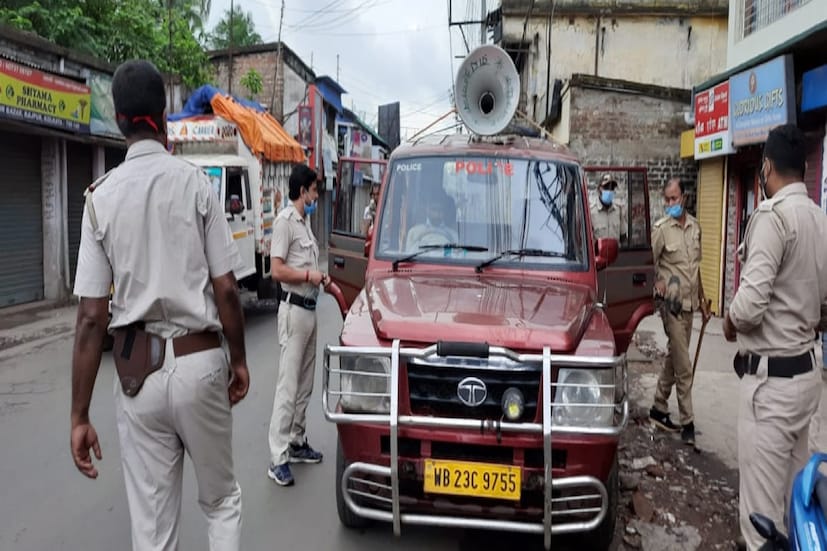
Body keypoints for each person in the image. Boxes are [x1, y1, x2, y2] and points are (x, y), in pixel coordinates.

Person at [70, 60, 249, 551]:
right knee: (221, 503)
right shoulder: (196, 184)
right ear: (163, 114)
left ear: (119, 117)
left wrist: (79, 416)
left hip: (136, 378)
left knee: (152, 527)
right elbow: (228, 289)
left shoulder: (99, 200)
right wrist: (237, 359)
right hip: (201, 364)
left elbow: (90, 318)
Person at [723, 124, 827, 551]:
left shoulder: (773, 217)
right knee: (796, 510)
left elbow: (748, 309)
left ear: (765, 168)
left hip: (772, 388)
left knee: (761, 523)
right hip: (807, 381)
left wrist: (729, 322)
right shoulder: (820, 219)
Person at [268, 164, 331, 487]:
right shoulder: (285, 223)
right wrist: (309, 276)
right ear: (303, 191)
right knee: (288, 386)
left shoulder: (305, 225)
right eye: (314, 191)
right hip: (293, 311)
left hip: (310, 310)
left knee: (305, 383)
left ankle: (296, 440)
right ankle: (277, 456)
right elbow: (276, 270)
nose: (317, 196)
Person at [648, 177, 710, 445]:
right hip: (671, 305)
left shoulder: (695, 228)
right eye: (667, 199)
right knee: (684, 366)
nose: (670, 204)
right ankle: (688, 424)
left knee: (675, 354)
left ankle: (658, 407)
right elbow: (647, 262)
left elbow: (695, 269)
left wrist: (704, 301)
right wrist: (657, 280)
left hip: (690, 306)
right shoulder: (661, 229)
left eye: (674, 199)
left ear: (684, 198)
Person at [590, 173, 627, 242]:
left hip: (615, 251)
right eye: (606, 187)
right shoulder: (591, 212)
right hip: (598, 252)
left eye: (612, 188)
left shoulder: (618, 210)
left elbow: (623, 237)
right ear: (600, 189)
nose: (609, 191)